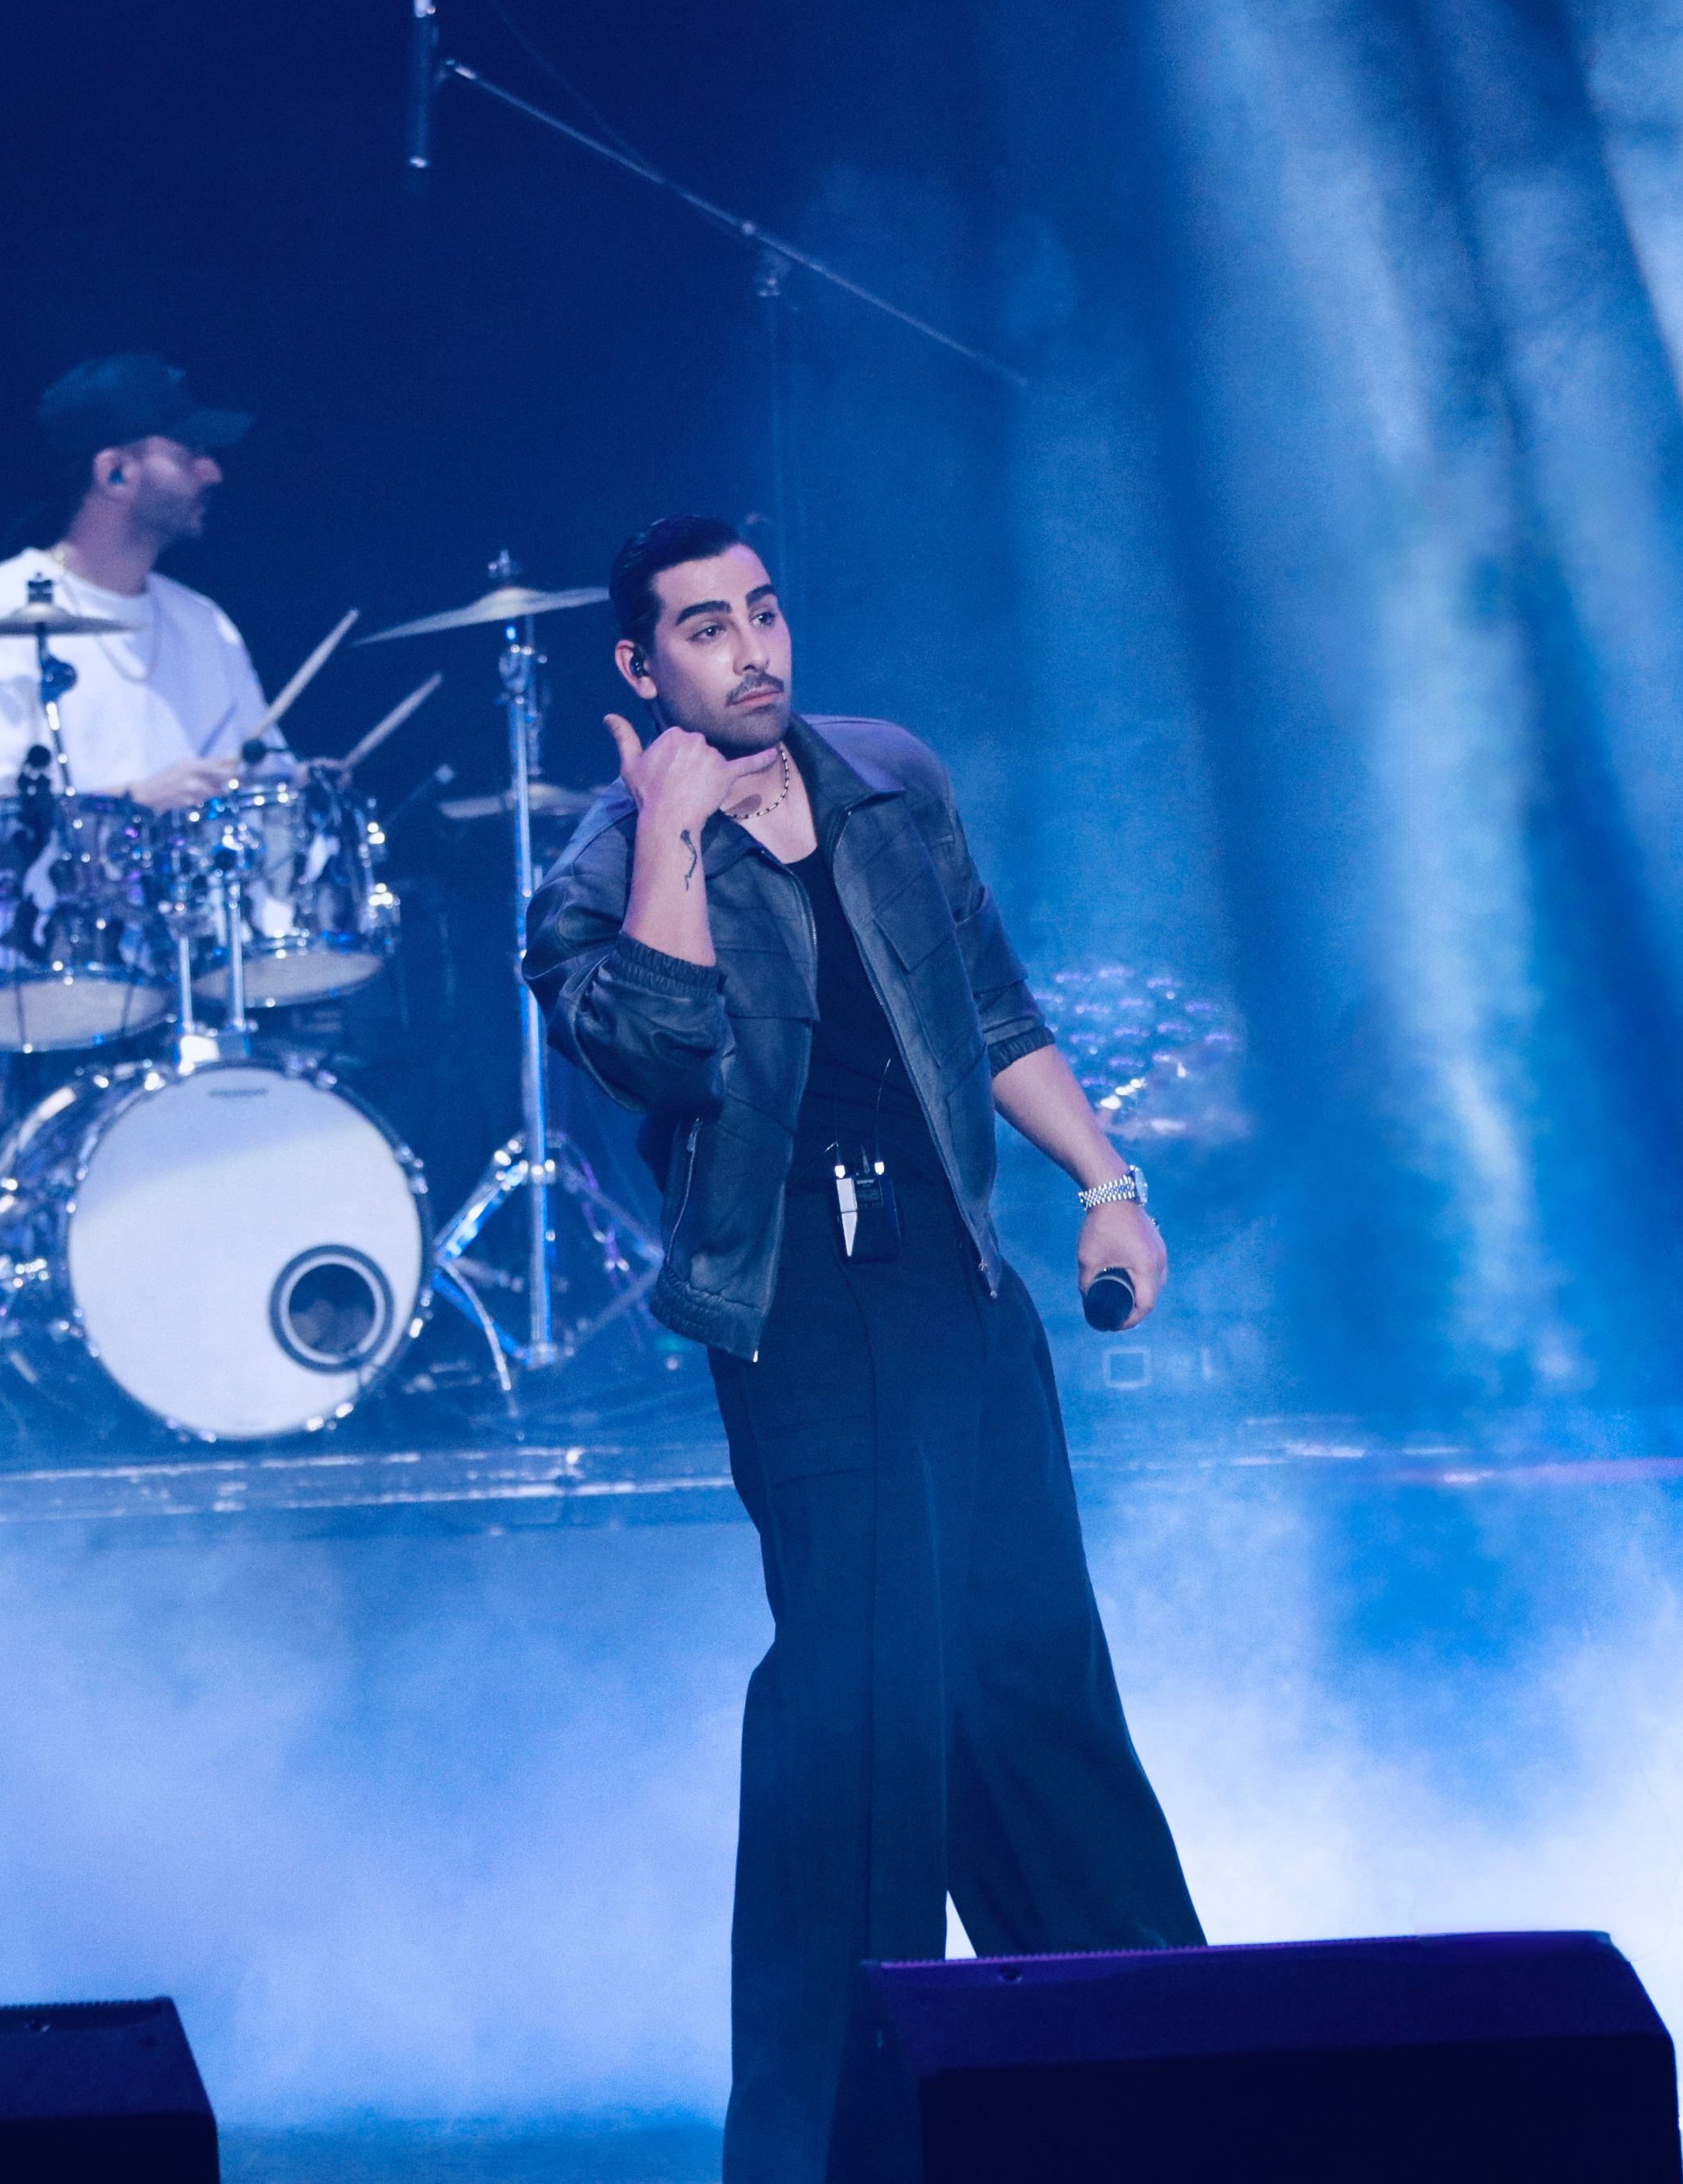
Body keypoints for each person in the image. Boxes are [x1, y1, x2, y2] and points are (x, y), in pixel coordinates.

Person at [527, 516, 1204, 2181]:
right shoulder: (602, 868)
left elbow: (992, 1008)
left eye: (762, 612)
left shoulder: (890, 778)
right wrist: (673, 830)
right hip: (807, 1312)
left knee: (1035, 1684)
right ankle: (828, 2149)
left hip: (962, 1284)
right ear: (641, 665)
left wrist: (1105, 1186)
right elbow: (656, 1055)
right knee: (861, 1720)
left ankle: (1153, 2094)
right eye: (704, 627)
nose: (750, 647)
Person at [0, 354, 265, 819]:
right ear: (114, 473)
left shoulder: (206, 624)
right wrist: (130, 807)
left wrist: (306, 794)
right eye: (190, 451)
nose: (212, 471)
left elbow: (267, 787)